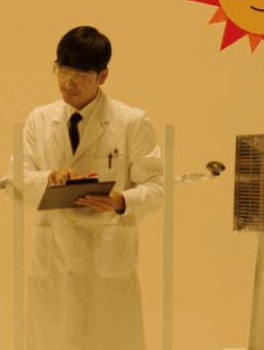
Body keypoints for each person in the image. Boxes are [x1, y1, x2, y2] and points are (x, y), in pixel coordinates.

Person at [14, 26, 164, 350]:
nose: (68, 83)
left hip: (107, 257)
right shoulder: (39, 120)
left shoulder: (131, 121)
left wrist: (121, 200)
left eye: (80, 76)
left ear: (102, 76)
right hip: (53, 259)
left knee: (110, 340)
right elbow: (17, 180)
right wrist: (50, 178)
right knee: (52, 340)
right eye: (62, 71)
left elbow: (156, 187)